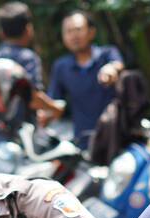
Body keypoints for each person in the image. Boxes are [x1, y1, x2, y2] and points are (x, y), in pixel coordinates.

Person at [43, 9, 125, 148]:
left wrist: (111, 69)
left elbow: (117, 65)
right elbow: (55, 102)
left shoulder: (107, 54)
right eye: (68, 31)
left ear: (91, 32)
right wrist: (45, 113)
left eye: (78, 29)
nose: (74, 35)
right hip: (85, 142)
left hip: (118, 136)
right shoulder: (61, 67)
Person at [0, 2, 62, 122]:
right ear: (28, 29)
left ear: (1, 33)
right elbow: (33, 98)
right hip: (22, 131)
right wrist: (55, 108)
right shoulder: (28, 58)